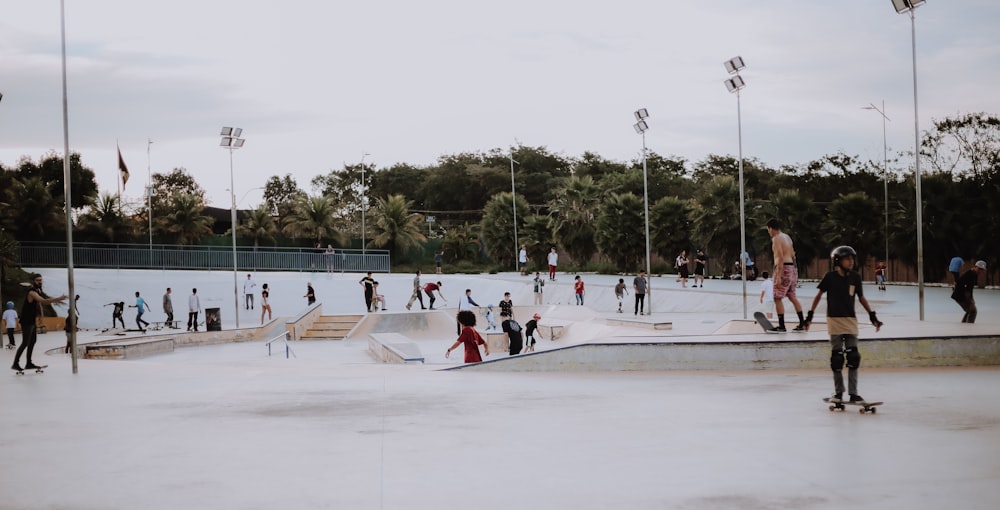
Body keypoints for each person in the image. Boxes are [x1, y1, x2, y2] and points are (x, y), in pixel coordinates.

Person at [804, 246, 883, 404]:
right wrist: (809, 317)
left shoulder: (855, 277)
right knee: (837, 358)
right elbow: (818, 296)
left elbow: (861, 298)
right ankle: (839, 392)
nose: (851, 262)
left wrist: (873, 317)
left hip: (850, 320)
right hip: (834, 320)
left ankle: (854, 394)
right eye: (848, 259)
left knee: (853, 357)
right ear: (838, 261)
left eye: (852, 259)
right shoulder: (830, 277)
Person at [12, 273, 68, 372]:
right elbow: (43, 301)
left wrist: (41, 315)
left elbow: (39, 304)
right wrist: (59, 298)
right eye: (38, 280)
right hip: (26, 321)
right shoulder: (31, 292)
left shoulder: (37, 291)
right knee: (25, 342)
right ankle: (15, 363)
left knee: (32, 341)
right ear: (33, 281)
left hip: (32, 320)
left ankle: (28, 363)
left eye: (41, 280)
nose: (40, 282)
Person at [766, 219, 806, 332]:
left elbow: (779, 257)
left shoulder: (776, 239)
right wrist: (794, 271)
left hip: (783, 268)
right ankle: (802, 323)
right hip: (792, 268)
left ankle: (781, 326)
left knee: (777, 297)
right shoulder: (787, 237)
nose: (769, 232)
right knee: (792, 296)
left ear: (770, 228)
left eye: (768, 230)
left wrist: (778, 276)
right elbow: (793, 254)